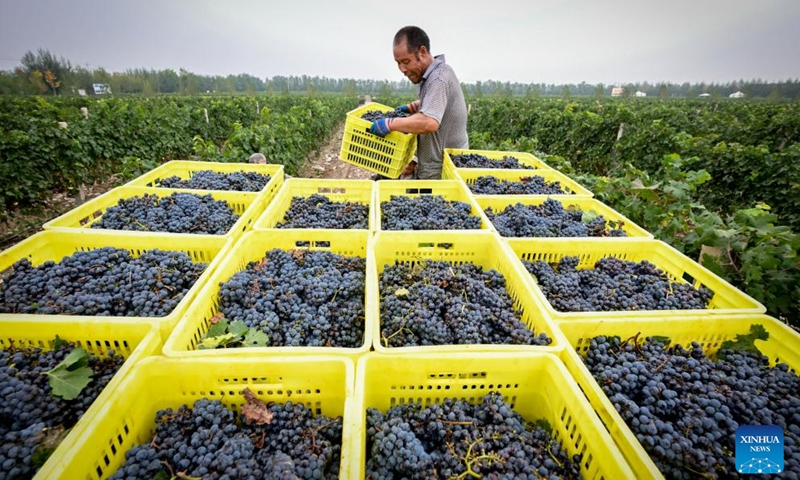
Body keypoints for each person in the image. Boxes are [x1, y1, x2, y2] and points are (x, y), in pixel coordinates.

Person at [369, 26, 469, 179]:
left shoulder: (438, 78)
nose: (402, 69)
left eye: (406, 61)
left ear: (422, 52)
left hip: (444, 174)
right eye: (398, 63)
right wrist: (416, 160)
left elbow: (429, 122)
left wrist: (390, 124)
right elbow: (438, 104)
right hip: (434, 166)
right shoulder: (431, 76)